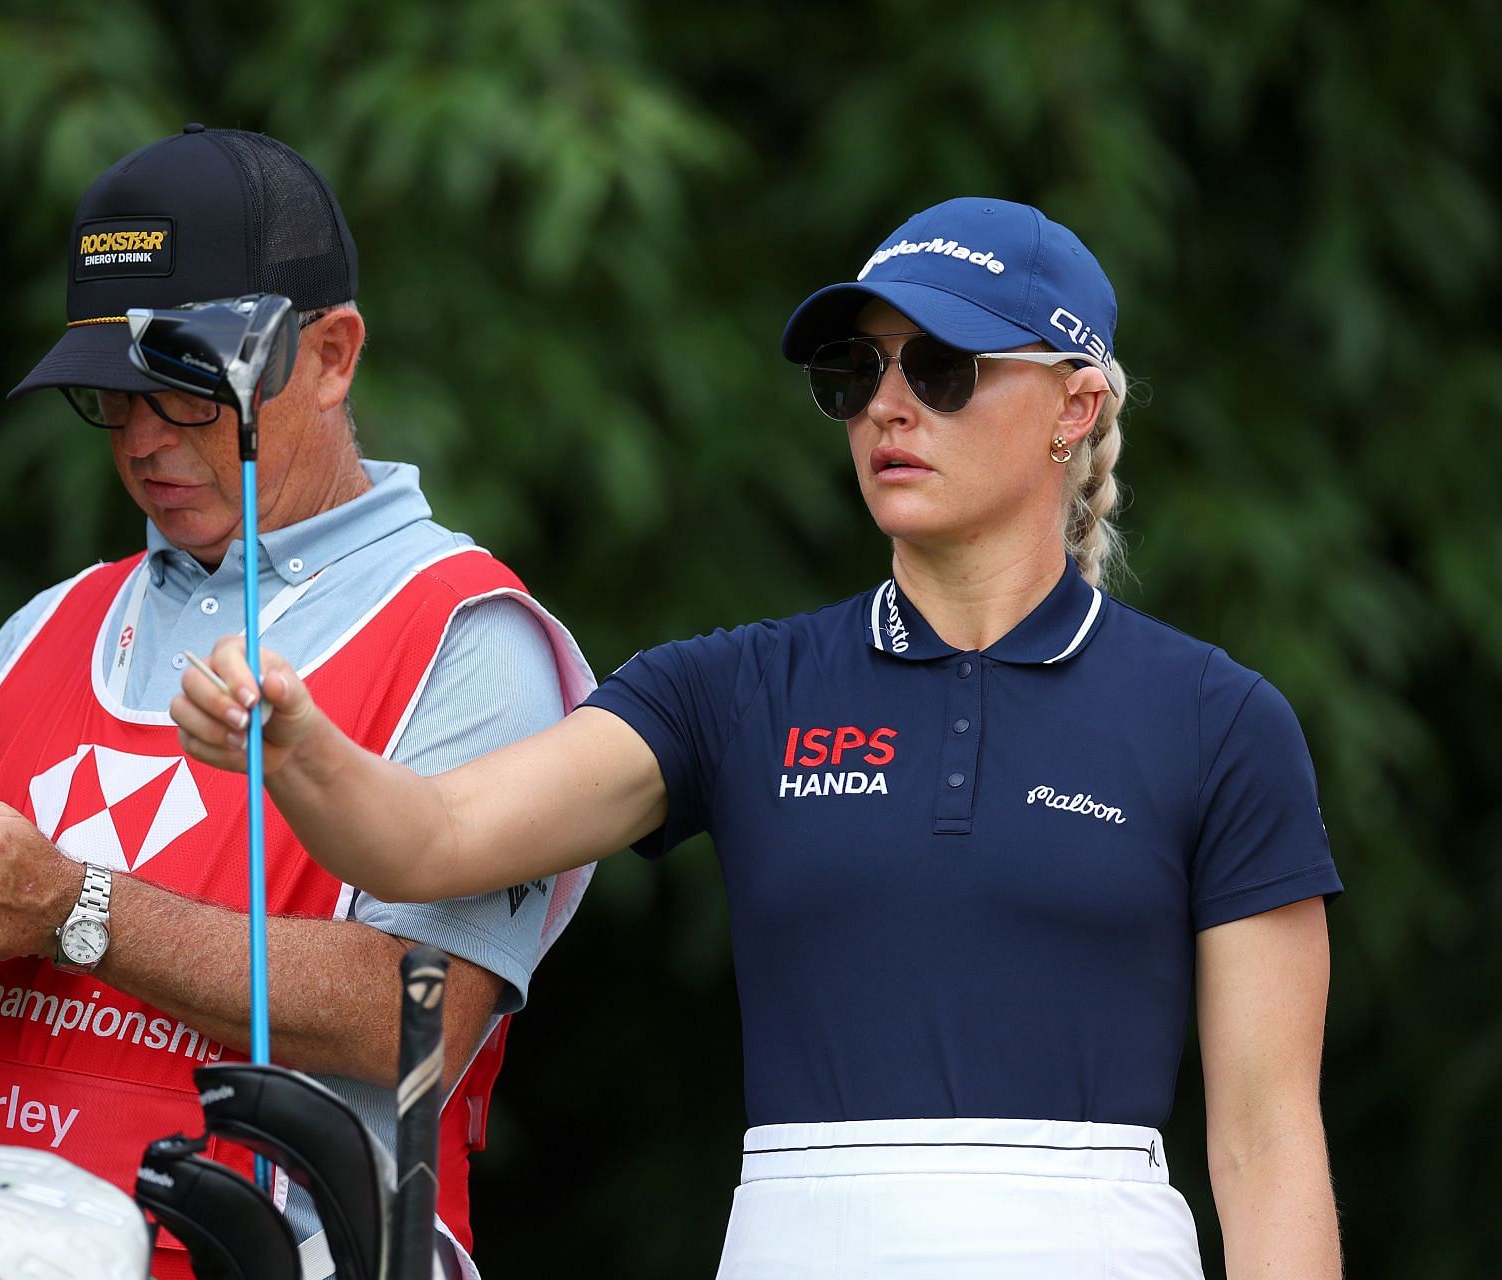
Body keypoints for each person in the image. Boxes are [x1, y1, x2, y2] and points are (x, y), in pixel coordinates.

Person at [172, 197, 1345, 1278]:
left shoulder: (1217, 719)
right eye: (857, 370)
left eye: (941, 369)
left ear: (1075, 405)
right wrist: (305, 748)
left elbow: (1266, 1141)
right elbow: (430, 840)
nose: (889, 404)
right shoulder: (733, 687)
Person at [0, 124, 595, 1280]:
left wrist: (73, 906)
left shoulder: (466, 635)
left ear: (332, 356)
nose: (142, 441)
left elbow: (416, 1017)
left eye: (187, 392)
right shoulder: (46, 624)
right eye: (111, 398)